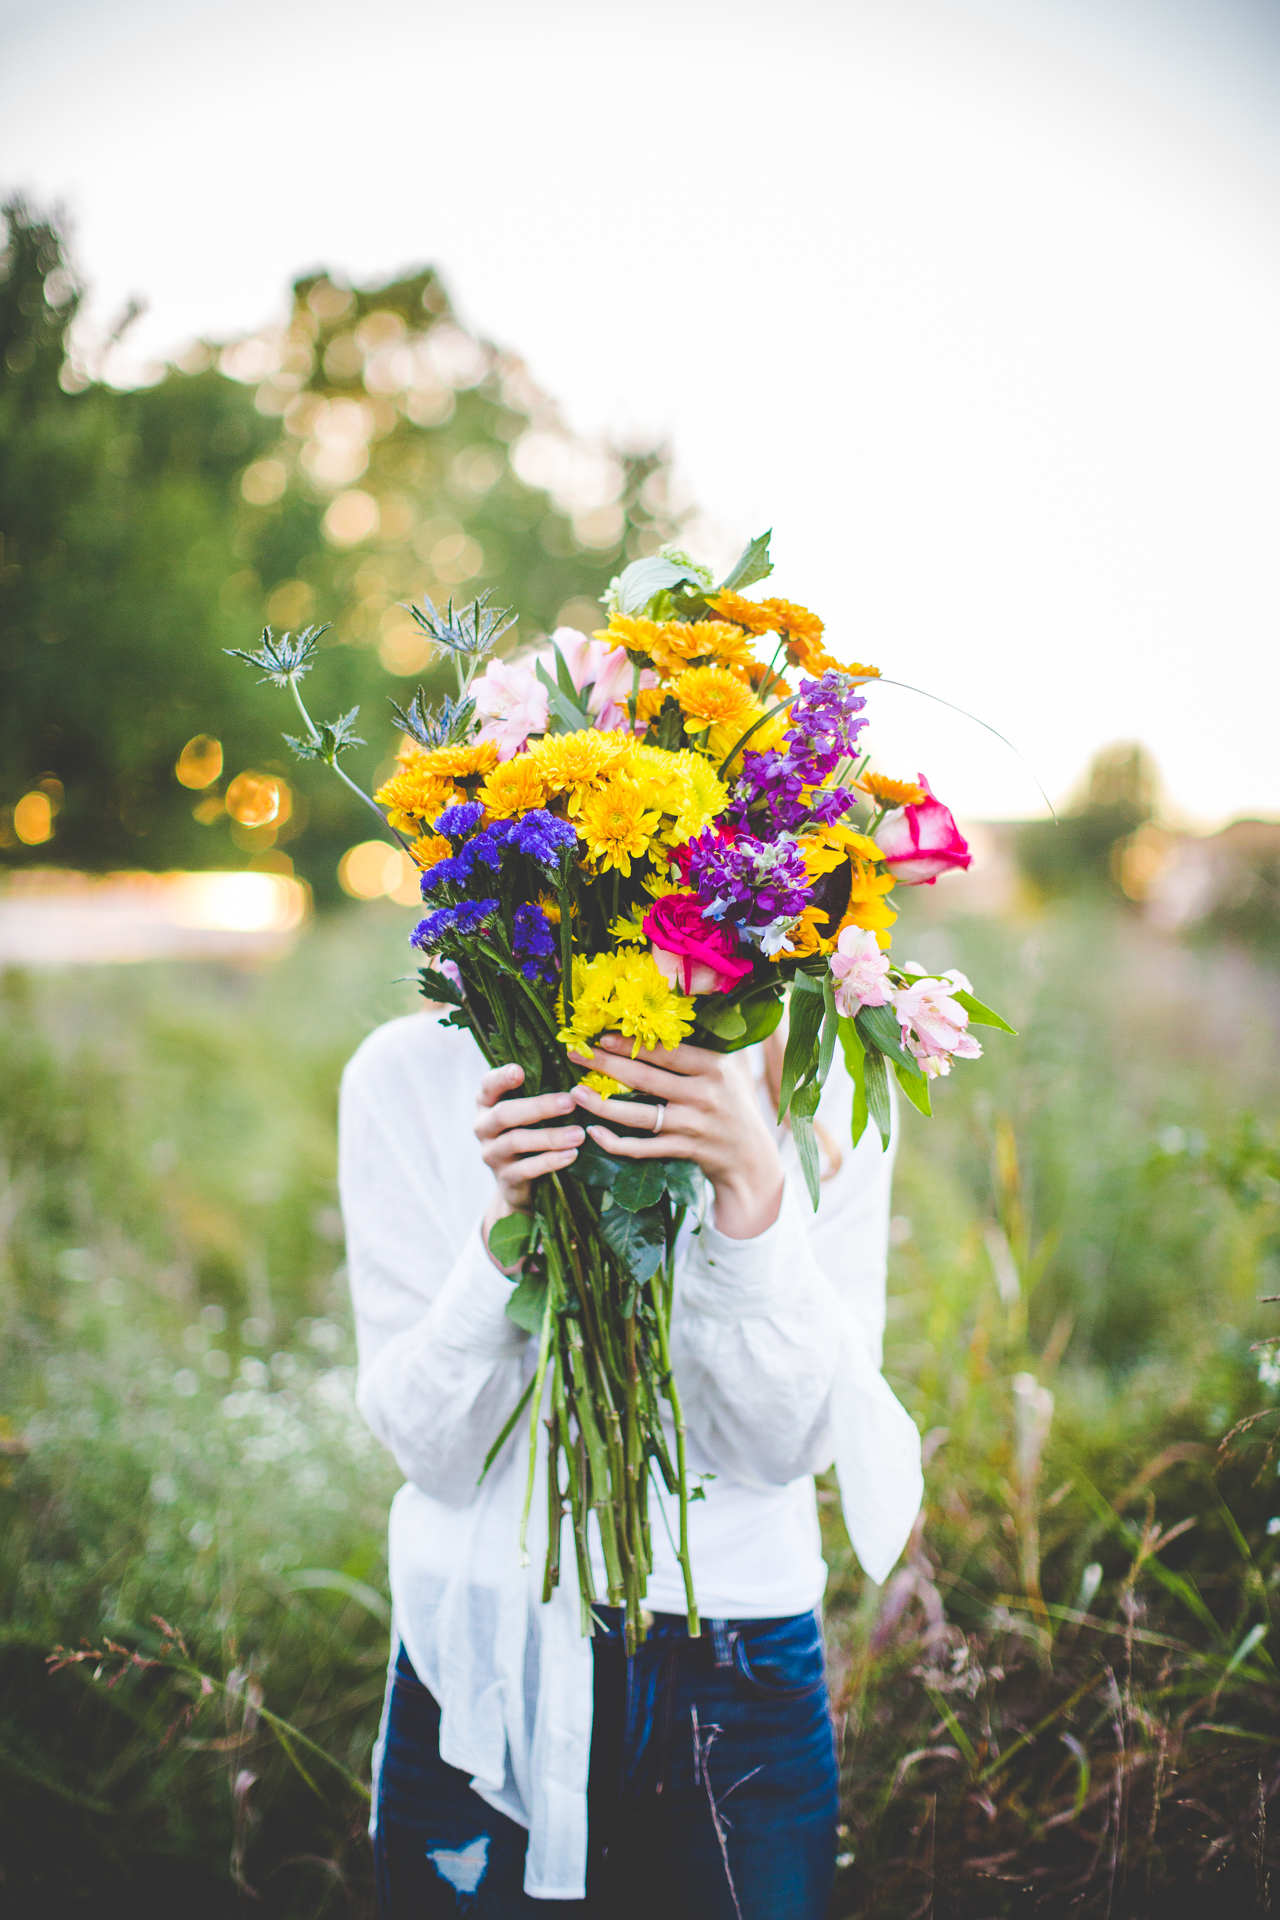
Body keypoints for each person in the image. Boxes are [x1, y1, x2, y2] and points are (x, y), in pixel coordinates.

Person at [339, 1005, 923, 1918]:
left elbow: (792, 1449)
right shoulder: (407, 1073)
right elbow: (433, 1454)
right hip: (480, 1672)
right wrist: (508, 1224)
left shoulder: (820, 1071)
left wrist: (750, 1191)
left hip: (734, 1672)